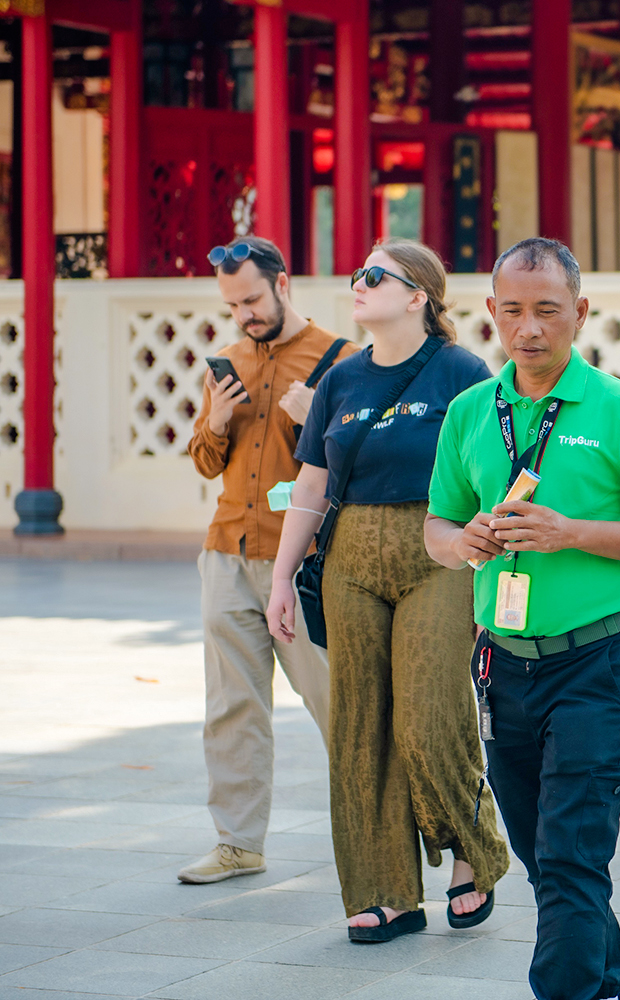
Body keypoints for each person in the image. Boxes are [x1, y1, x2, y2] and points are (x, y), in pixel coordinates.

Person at [424, 237, 620, 1000]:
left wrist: (571, 533)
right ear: (491, 312)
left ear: (580, 311)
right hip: (502, 663)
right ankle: (603, 980)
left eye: (547, 310)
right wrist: (463, 541)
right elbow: (437, 527)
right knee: (545, 855)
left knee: (572, 850)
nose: (530, 328)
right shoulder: (470, 412)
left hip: (597, 663)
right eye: (513, 311)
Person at [265, 238, 509, 943]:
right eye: (358, 274)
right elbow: (312, 482)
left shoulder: (462, 372)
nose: (359, 284)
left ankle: (473, 848)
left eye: (375, 275)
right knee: (359, 725)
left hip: (438, 550)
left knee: (430, 714)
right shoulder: (340, 379)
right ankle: (386, 891)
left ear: (417, 296)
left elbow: (491, 471)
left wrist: (491, 562)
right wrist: (281, 576)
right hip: (349, 556)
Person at [181, 236, 355, 884]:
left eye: (252, 299)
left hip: (305, 562)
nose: (244, 314)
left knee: (337, 701)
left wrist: (317, 422)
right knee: (232, 706)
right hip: (227, 552)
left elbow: (359, 465)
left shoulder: (343, 362)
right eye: (233, 305)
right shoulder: (225, 363)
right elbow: (205, 462)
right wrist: (217, 420)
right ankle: (238, 843)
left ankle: (379, 832)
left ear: (283, 284)